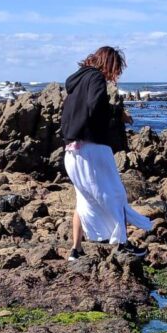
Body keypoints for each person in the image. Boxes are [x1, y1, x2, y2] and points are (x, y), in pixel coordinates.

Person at [60, 46, 151, 259]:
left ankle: (76, 250)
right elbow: (95, 106)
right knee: (115, 194)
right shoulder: (96, 78)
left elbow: (74, 113)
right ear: (108, 63)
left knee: (84, 199)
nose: (115, 75)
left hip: (71, 151)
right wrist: (116, 114)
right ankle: (122, 245)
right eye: (116, 68)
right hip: (93, 149)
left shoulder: (76, 83)